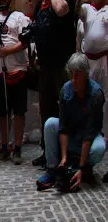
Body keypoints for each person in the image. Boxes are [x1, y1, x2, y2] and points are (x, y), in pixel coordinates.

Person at [30, 0, 77, 167]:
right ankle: (48, 150)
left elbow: (60, 10)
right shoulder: (41, 3)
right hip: (45, 66)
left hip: (62, 64)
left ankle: (72, 152)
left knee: (67, 107)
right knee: (46, 110)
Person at [37, 53, 105, 191]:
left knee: (99, 148)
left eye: (77, 75)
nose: (74, 80)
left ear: (85, 75)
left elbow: (90, 133)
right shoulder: (66, 90)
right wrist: (63, 159)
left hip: (88, 138)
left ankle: (84, 168)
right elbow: (63, 126)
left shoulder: (96, 93)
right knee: (50, 123)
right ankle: (53, 169)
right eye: (71, 74)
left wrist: (81, 167)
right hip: (72, 134)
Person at [0, 0, 31, 164]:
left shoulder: (19, 17)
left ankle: (18, 147)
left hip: (17, 69)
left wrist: (9, 51)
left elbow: (25, 42)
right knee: (2, 112)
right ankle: (4, 147)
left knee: (18, 111)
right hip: (0, 71)